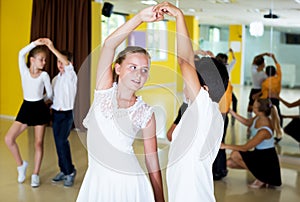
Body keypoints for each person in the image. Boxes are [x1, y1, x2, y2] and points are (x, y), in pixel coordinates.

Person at [76, 5, 164, 202]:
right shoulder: (104, 93)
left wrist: (160, 198)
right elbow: (109, 45)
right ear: (117, 68)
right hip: (97, 181)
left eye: (144, 70)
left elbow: (152, 160)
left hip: (128, 185)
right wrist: (140, 17)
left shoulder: (145, 113)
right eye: (132, 67)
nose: (139, 74)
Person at [154, 2, 226, 201]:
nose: (184, 85)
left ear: (204, 89)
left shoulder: (205, 108)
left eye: (189, 82)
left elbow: (184, 62)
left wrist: (179, 16)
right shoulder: (205, 111)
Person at [4, 38, 53, 187]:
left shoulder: (44, 76)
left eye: (45, 60)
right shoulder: (24, 72)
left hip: (39, 108)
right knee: (8, 139)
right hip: (26, 108)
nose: (44, 62)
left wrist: (40, 101)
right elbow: (20, 54)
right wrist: (35, 43)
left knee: (38, 143)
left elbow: (50, 95)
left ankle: (35, 174)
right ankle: (21, 165)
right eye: (41, 59)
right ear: (32, 60)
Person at [221, 98, 282, 188]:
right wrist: (231, 111)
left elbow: (245, 148)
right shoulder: (259, 117)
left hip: (266, 159)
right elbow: (247, 122)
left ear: (260, 110)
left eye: (254, 107)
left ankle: (262, 177)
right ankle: (261, 175)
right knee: (229, 163)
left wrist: (224, 146)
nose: (251, 107)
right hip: (258, 154)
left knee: (235, 154)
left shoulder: (264, 131)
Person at [44, 39, 78, 187]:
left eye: (62, 61)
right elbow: (50, 97)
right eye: (58, 62)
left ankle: (70, 171)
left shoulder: (71, 76)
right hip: (56, 114)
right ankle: (64, 171)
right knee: (59, 144)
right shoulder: (55, 79)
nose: (60, 64)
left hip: (67, 114)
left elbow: (68, 65)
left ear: (69, 63)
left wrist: (52, 46)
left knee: (62, 142)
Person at [254, 53, 283, 143]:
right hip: (276, 100)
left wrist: (257, 97)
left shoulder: (265, 83)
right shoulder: (278, 78)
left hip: (267, 101)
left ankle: (266, 131)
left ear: (266, 73)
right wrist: (274, 58)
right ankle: (278, 132)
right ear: (275, 72)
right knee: (278, 116)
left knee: (268, 117)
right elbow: (279, 67)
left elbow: (264, 94)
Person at [216, 49, 238, 125]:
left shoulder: (215, 67)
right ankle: (233, 116)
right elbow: (235, 60)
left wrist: (227, 52)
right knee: (234, 101)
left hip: (219, 89)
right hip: (226, 89)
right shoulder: (227, 67)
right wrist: (231, 52)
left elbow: (218, 57)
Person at [247, 53, 268, 119]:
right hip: (260, 91)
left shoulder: (253, 70)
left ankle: (249, 119)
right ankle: (259, 120)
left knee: (250, 106)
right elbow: (266, 86)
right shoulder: (265, 75)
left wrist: (264, 54)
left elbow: (255, 58)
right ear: (263, 64)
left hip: (253, 90)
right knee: (260, 106)